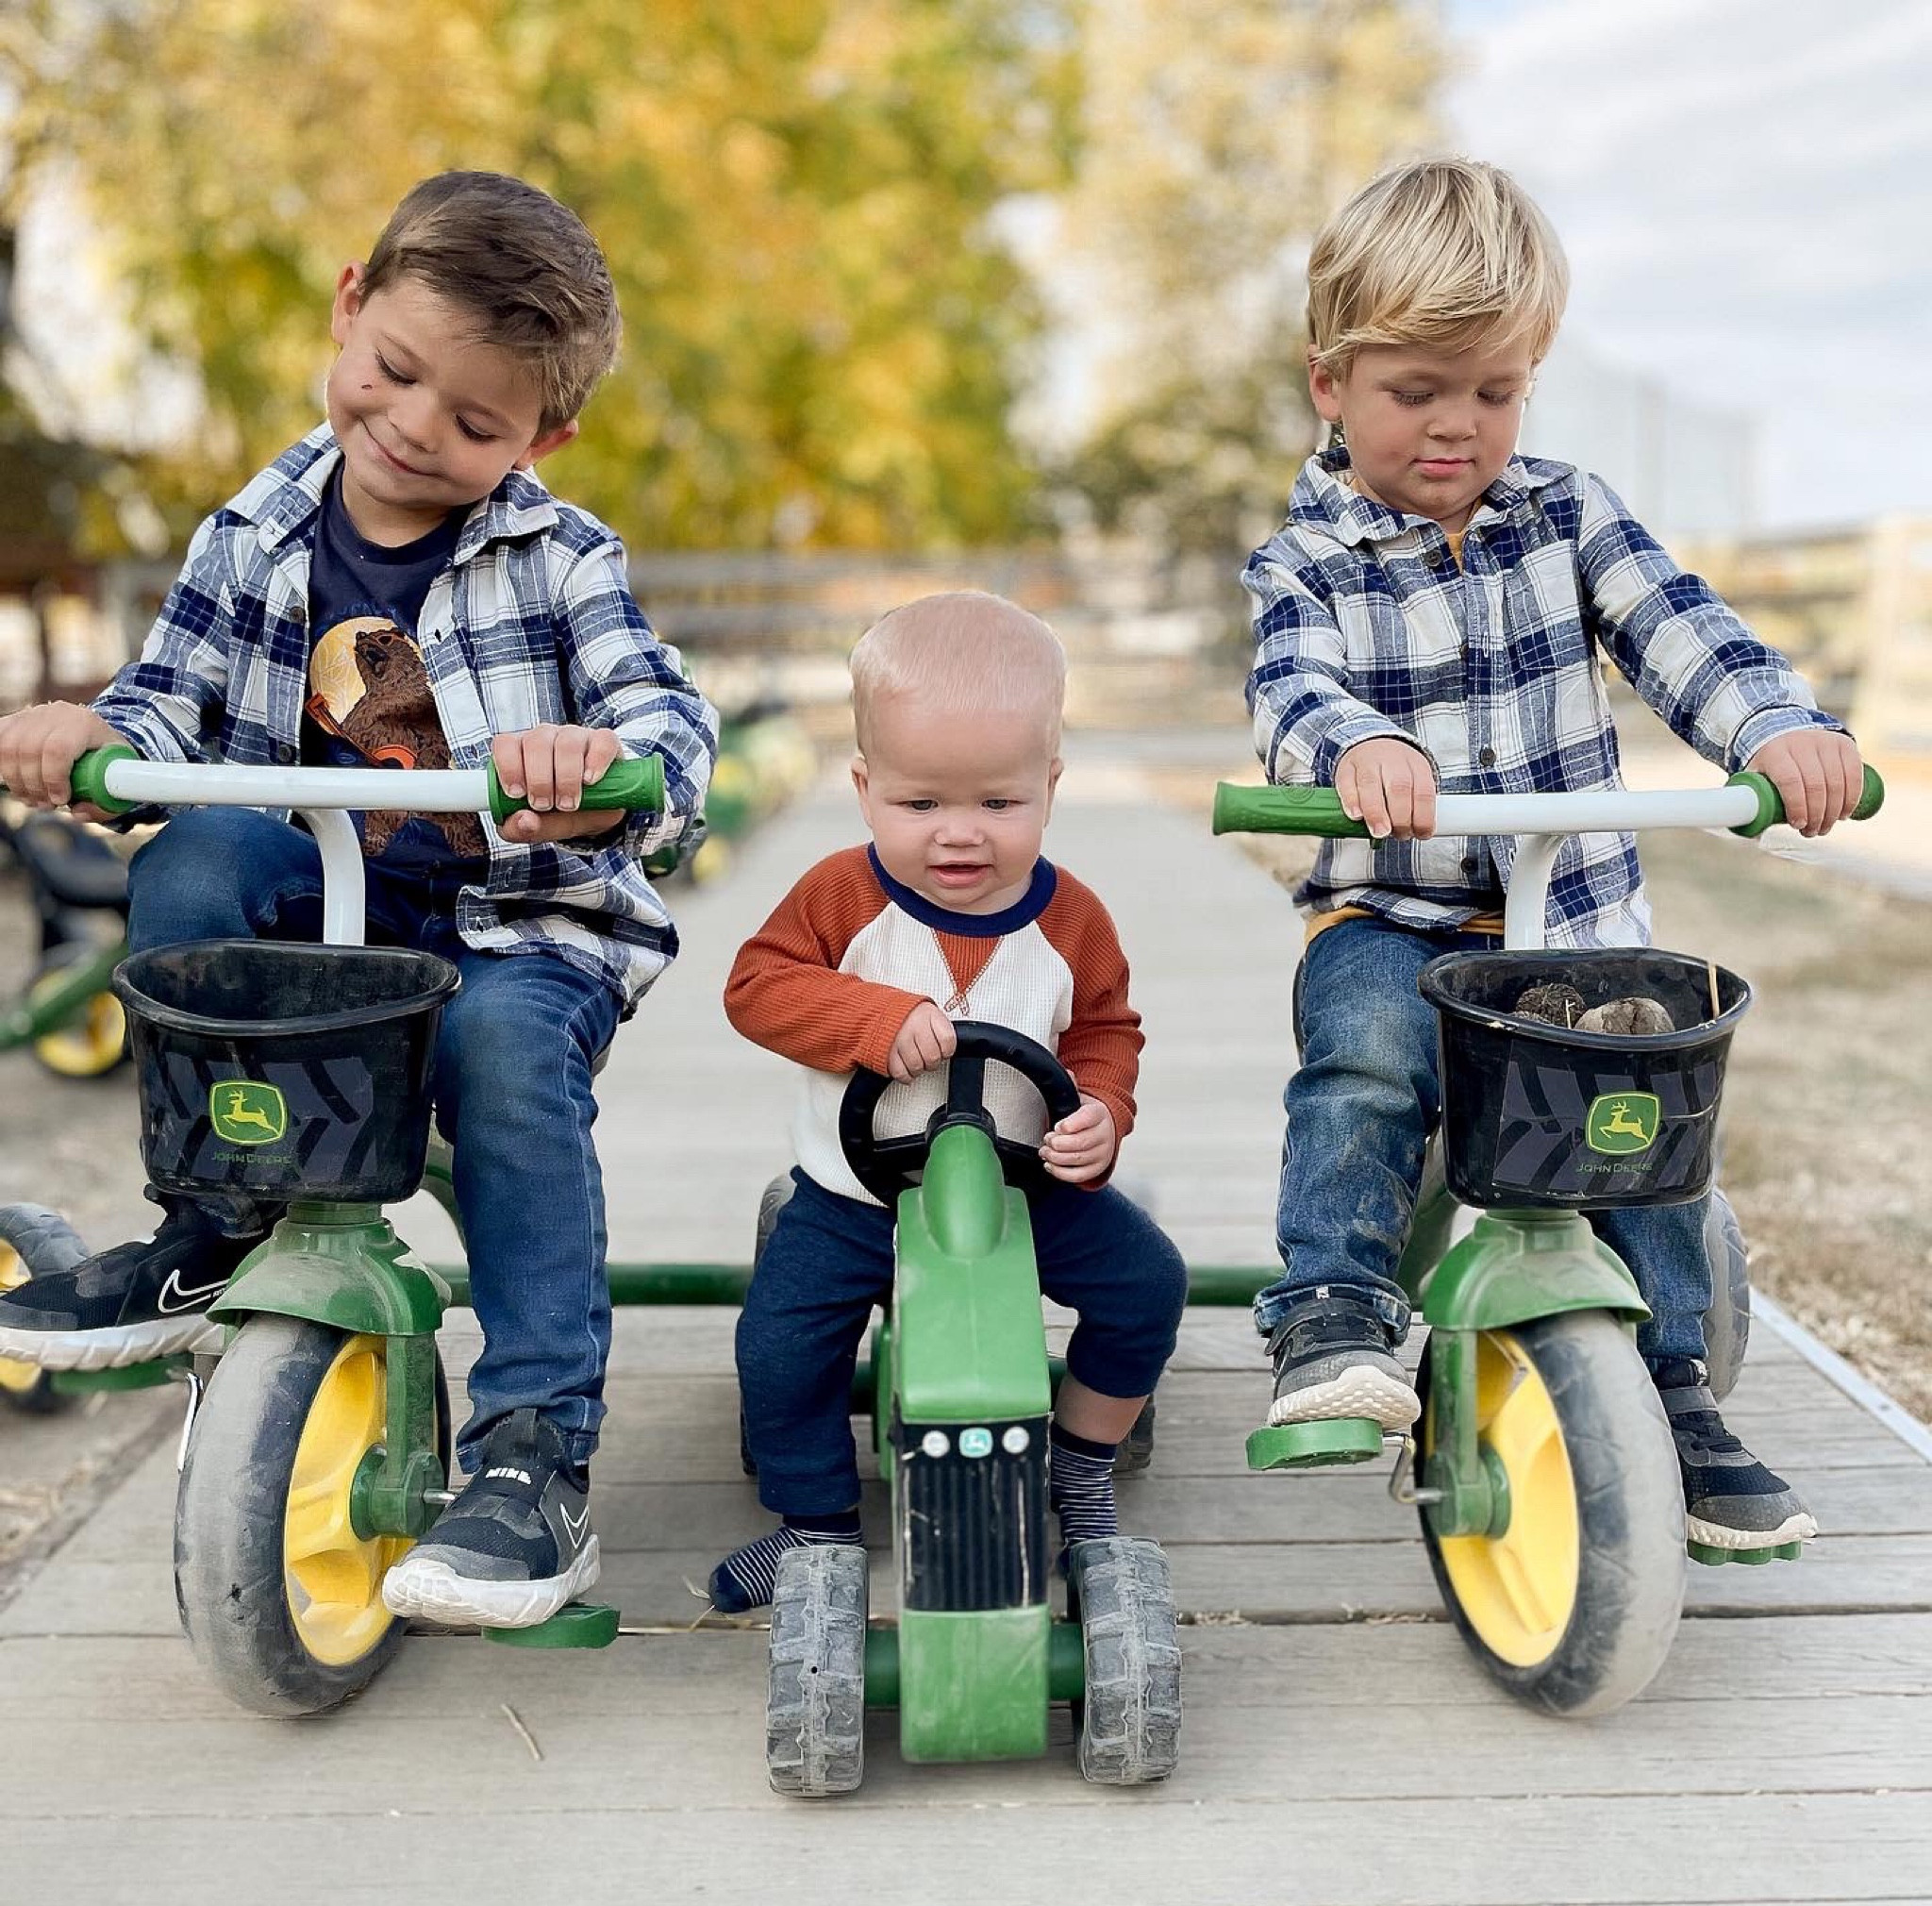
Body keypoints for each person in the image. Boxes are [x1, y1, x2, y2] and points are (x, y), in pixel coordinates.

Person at [0, 171, 717, 1625]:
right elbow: (166, 704)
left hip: (513, 929)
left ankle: (534, 1447)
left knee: (511, 1056)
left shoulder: (561, 560)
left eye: (476, 423)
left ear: (544, 437)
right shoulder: (249, 534)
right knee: (196, 858)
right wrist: (98, 740)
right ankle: (206, 1228)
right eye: (392, 374)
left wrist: (607, 764)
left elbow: (671, 733)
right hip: (319, 920)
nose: (412, 429)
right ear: (348, 306)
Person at [1243, 158, 1864, 1556]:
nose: (1461, 427)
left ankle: (1672, 1388)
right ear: (1329, 383)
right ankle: (1333, 1316)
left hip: (1569, 918)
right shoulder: (1308, 559)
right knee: (1363, 1063)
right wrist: (1352, 749)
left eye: (1497, 390)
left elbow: (1685, 631)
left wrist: (1774, 728)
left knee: (1640, 1120)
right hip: (1396, 917)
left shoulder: (1568, 513)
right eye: (1418, 391)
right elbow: (1291, 691)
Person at [707, 590, 1187, 1611]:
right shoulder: (841, 897)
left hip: (1021, 1195)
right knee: (778, 1346)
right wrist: (864, 1017)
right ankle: (813, 1520)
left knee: (1147, 1283)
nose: (958, 834)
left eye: (996, 804)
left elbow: (1104, 1028)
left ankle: (1081, 1460)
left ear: (1048, 786)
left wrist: (1100, 1110)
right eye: (920, 804)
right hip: (856, 1198)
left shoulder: (1071, 919)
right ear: (864, 785)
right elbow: (756, 986)